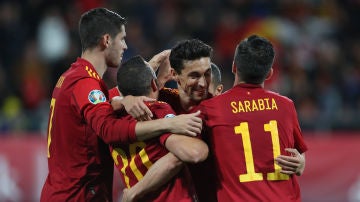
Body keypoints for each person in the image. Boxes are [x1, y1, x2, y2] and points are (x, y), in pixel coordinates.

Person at [40, 8, 203, 202]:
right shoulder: (84, 83)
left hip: (66, 192)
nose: (125, 46)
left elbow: (102, 103)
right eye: (122, 39)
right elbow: (109, 129)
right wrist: (169, 124)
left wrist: (150, 79)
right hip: (77, 196)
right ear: (107, 40)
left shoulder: (73, 77)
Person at [194, 35, 308, 201]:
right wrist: (301, 163)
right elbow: (298, 153)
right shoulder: (286, 106)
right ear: (269, 73)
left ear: (234, 67)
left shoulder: (211, 109)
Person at [111, 55, 208, 201]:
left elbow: (111, 98)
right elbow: (182, 156)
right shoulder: (157, 109)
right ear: (153, 84)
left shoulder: (109, 115)